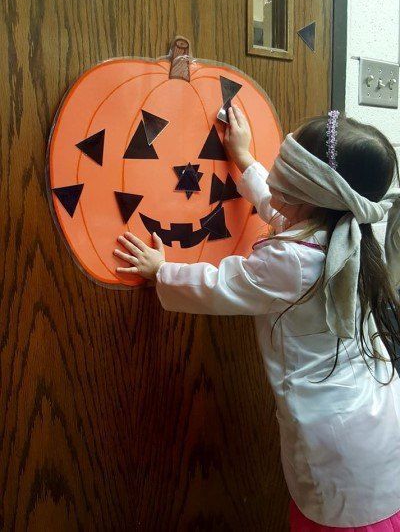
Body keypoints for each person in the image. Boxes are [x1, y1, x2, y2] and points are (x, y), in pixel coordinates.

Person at [114, 106, 400, 530]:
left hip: (339, 446)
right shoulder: (339, 231)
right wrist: (244, 159)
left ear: (307, 188)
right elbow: (280, 210)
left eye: (286, 167)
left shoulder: (294, 260)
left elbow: (219, 285)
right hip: (378, 422)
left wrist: (162, 270)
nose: (275, 175)